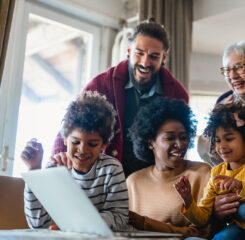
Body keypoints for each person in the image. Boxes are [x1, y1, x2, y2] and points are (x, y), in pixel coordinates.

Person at [51, 18, 189, 178]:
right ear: (129, 51)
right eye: (139, 53)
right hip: (103, 177)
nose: (145, 62)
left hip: (153, 180)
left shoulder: (178, 95)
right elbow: (73, 122)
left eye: (154, 56)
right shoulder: (101, 84)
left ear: (164, 57)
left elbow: (179, 143)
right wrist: (59, 155)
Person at [22, 91, 129, 231]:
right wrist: (34, 170)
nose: (82, 150)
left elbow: (119, 217)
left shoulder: (111, 169)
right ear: (65, 139)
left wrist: (78, 227)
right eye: (76, 142)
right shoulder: (54, 169)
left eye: (92, 144)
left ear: (104, 145)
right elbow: (37, 224)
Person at [126, 97, 214, 239]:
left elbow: (202, 234)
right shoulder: (133, 182)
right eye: (169, 138)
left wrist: (146, 224)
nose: (179, 144)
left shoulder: (201, 174)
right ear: (150, 143)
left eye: (184, 137)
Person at [174, 103, 245, 240]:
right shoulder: (217, 173)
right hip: (237, 229)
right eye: (217, 140)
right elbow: (202, 219)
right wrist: (188, 200)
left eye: (229, 139)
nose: (222, 146)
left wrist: (240, 185)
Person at [212, 41, 245, 226]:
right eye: (226, 70)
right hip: (234, 191)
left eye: (239, 67)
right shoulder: (224, 104)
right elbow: (215, 156)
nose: (232, 76)